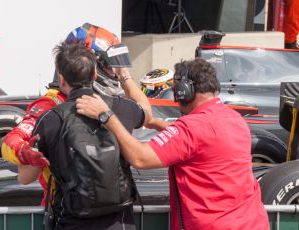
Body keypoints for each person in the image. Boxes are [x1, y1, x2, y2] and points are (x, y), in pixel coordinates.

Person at [76, 58, 270, 230]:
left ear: (186, 91)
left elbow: (140, 158)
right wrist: (154, 122)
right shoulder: (233, 118)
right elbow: (197, 141)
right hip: (253, 222)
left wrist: (107, 116)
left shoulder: (191, 128)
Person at [1, 22, 151, 206]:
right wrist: (24, 152)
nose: (116, 73)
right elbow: (14, 139)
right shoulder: (51, 104)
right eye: (112, 66)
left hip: (68, 215)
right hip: (113, 214)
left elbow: (24, 177)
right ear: (95, 69)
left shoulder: (55, 113)